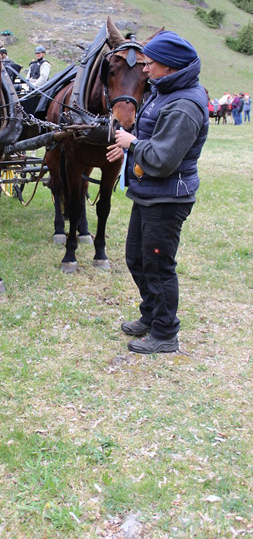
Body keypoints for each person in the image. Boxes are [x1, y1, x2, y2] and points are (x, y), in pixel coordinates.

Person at [106, 31, 209, 354]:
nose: (145, 68)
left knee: (158, 265)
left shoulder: (184, 105)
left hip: (167, 197)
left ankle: (165, 333)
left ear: (170, 66)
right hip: (150, 192)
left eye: (150, 63)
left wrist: (133, 144)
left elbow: (163, 160)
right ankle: (151, 315)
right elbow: (152, 134)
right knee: (137, 258)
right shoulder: (164, 91)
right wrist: (129, 148)